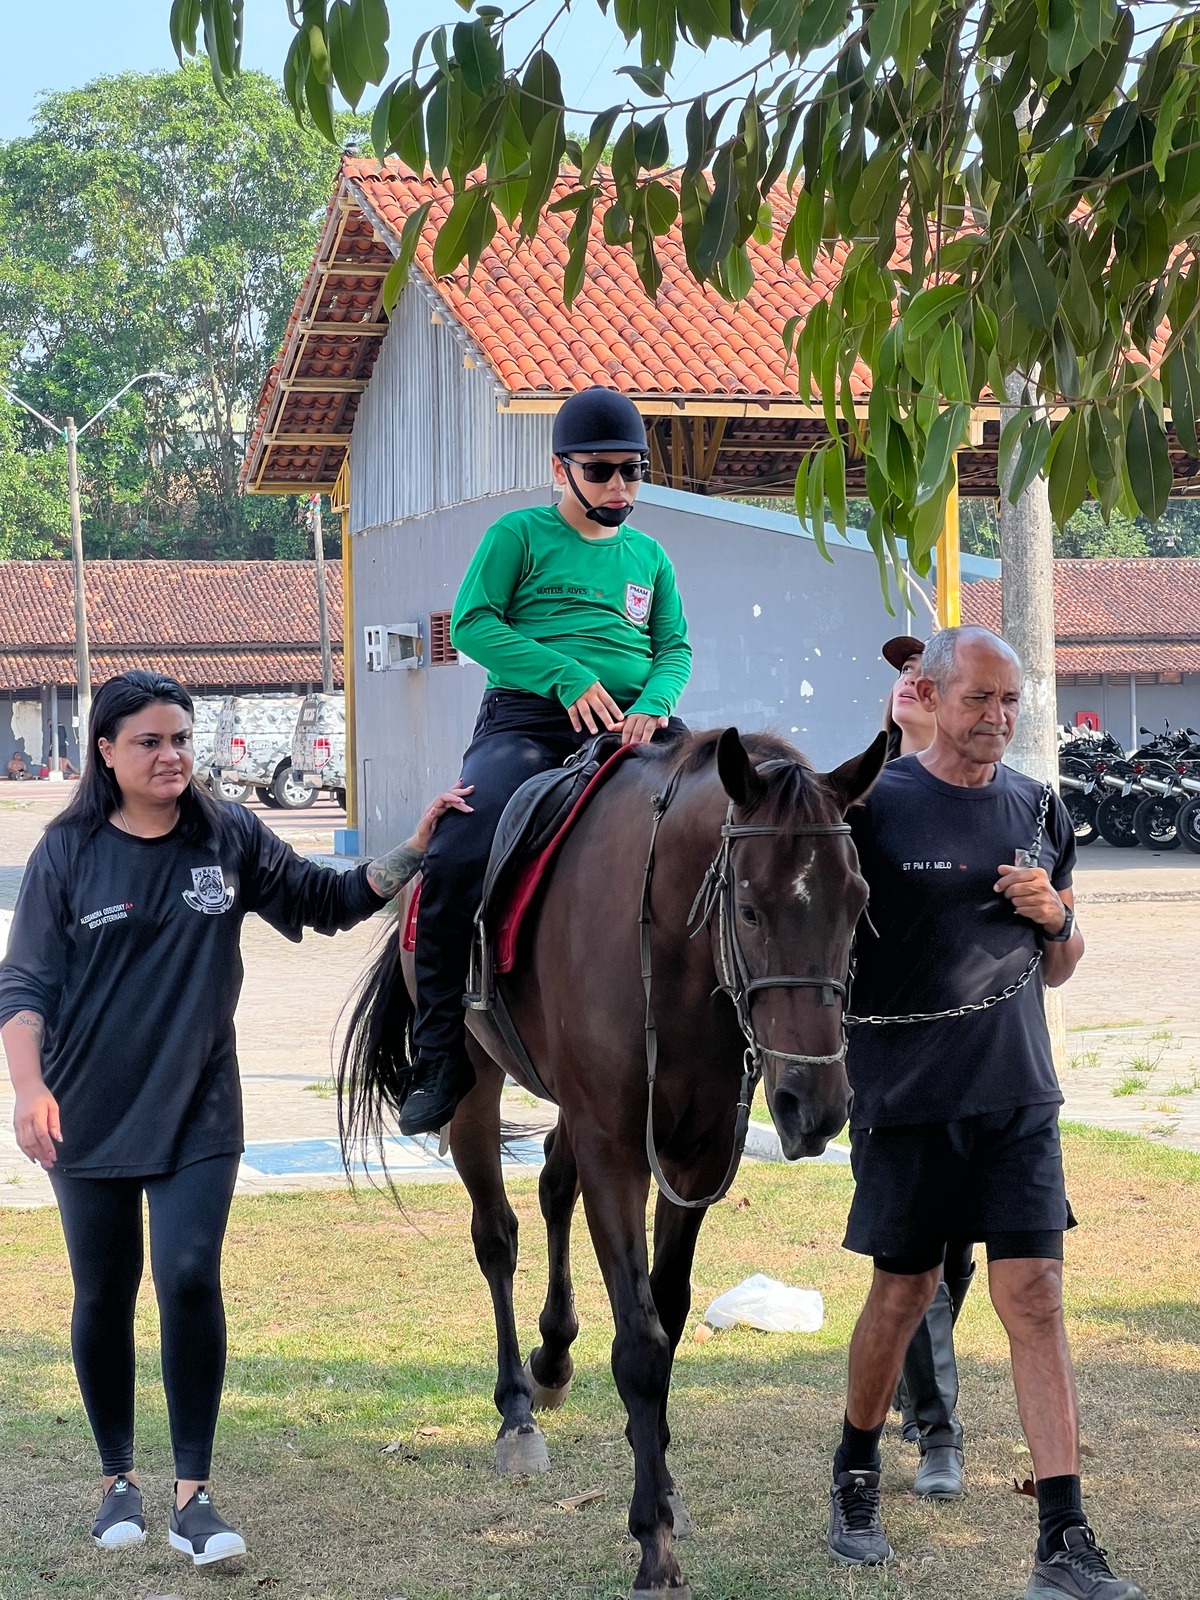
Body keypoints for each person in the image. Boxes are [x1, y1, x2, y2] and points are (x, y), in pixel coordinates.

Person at [0, 670, 470, 1566]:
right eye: (150, 741)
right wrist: (29, 1089)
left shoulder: (229, 836)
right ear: (106, 751)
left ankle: (194, 1496)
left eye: (181, 738)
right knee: (103, 1292)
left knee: (185, 1277)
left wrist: (411, 850)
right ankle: (115, 1484)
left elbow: (326, 901)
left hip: (199, 1106)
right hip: (86, 1108)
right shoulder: (65, 854)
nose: (172, 755)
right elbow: (20, 988)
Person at [829, 627, 1143, 1600]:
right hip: (907, 1099)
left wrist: (1057, 917)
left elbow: (1061, 961)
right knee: (904, 1293)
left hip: (1016, 1092)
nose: (999, 719)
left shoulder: (1038, 806)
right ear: (930, 693)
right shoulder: (872, 810)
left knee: (1036, 1295)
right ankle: (853, 1476)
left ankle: (1064, 1542)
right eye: (981, 699)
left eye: (1011, 701)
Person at [402, 386, 692, 1136]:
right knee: (461, 848)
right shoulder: (517, 536)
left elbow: (674, 648)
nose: (620, 489)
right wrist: (563, 675)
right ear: (561, 468)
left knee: (728, 821)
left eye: (633, 472)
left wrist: (655, 704)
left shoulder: (651, 556)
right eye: (601, 472)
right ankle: (438, 1052)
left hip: (635, 725)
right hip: (530, 723)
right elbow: (472, 624)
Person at [880, 633, 975, 1501]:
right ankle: (939, 1432)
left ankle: (923, 1400)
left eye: (924, 674)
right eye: (901, 674)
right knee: (918, 1267)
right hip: (897, 1074)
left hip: (983, 1071)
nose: (907, 681)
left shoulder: (998, 801)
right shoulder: (863, 801)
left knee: (959, 1260)